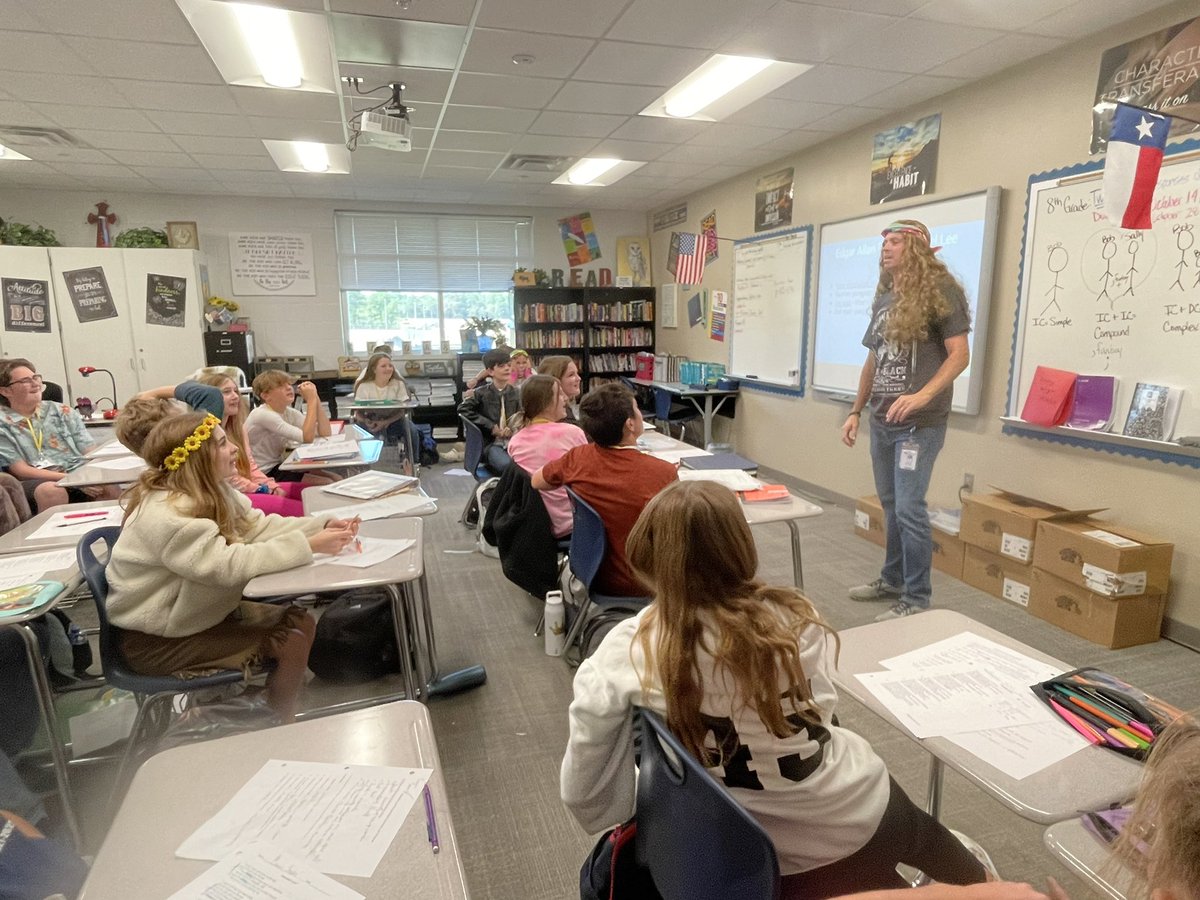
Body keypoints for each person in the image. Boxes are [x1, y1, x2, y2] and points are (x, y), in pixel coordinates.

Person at [562, 480, 991, 899]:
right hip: (863, 809)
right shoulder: (795, 616)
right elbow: (822, 711)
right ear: (740, 548)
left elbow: (586, 787)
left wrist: (627, 801)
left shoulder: (633, 646)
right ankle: (982, 881)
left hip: (759, 856)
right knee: (907, 817)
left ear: (652, 560)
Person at [105, 413, 359, 720]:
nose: (235, 448)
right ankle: (277, 720)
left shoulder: (212, 489)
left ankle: (255, 709)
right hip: (156, 641)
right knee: (291, 641)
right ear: (199, 458)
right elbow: (227, 565)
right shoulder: (168, 516)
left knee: (302, 623)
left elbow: (257, 527)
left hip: (196, 617)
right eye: (223, 444)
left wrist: (320, 525)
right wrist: (308, 546)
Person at [841, 219, 970, 622]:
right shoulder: (885, 299)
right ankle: (892, 579)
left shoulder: (942, 293)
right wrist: (855, 411)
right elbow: (872, 361)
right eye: (885, 242)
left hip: (920, 423)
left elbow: (959, 355)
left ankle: (917, 597)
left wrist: (922, 395)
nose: (886, 248)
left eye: (895, 242)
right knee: (892, 504)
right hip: (881, 420)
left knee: (910, 507)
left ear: (915, 249)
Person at [531, 382, 676, 597]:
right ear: (630, 424)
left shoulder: (577, 457)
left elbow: (536, 481)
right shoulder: (662, 472)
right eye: (637, 409)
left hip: (589, 568)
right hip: (640, 581)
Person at [0, 358, 117, 512]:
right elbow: (20, 470)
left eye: (36, 378)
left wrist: (91, 475)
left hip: (76, 471)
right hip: (37, 479)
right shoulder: (3, 422)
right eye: (25, 381)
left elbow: (89, 451)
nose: (35, 384)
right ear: (6, 391)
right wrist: (71, 480)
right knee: (52, 491)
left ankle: (105, 533)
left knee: (108, 486)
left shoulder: (62, 411)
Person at [198, 373, 307, 516]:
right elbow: (229, 480)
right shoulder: (205, 433)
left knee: (310, 493)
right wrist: (261, 489)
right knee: (301, 509)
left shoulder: (238, 428)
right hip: (230, 495)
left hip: (251, 484)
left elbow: (250, 466)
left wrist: (270, 485)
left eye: (235, 391)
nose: (235, 396)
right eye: (226, 392)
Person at [507, 374, 587, 538]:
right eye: (560, 394)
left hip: (534, 523)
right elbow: (589, 477)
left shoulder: (515, 441)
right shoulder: (572, 433)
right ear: (547, 402)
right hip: (570, 523)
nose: (565, 398)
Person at [244, 370, 332, 479]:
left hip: (278, 466)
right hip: (263, 472)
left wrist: (316, 397)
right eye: (280, 386)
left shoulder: (288, 412)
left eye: (289, 384)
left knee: (335, 478)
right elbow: (307, 437)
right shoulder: (262, 414)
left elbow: (325, 432)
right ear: (266, 395)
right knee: (325, 481)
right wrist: (311, 400)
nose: (289, 388)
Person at [458, 347, 519, 475]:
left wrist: (513, 428)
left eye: (509, 365)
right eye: (502, 366)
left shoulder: (517, 393)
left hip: (515, 442)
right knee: (507, 465)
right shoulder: (481, 393)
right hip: (492, 444)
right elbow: (463, 409)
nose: (507, 369)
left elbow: (523, 415)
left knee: (528, 464)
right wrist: (491, 427)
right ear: (490, 371)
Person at [351, 352, 423, 459]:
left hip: (394, 421)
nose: (388, 369)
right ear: (374, 369)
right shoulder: (364, 386)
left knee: (411, 429)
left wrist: (386, 422)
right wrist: (365, 421)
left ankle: (413, 462)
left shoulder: (398, 384)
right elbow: (357, 412)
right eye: (383, 366)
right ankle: (360, 462)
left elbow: (403, 410)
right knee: (356, 430)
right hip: (370, 421)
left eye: (390, 366)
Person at [537, 354, 583, 425]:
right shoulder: (561, 415)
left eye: (577, 373)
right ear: (555, 380)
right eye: (571, 375)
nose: (579, 378)